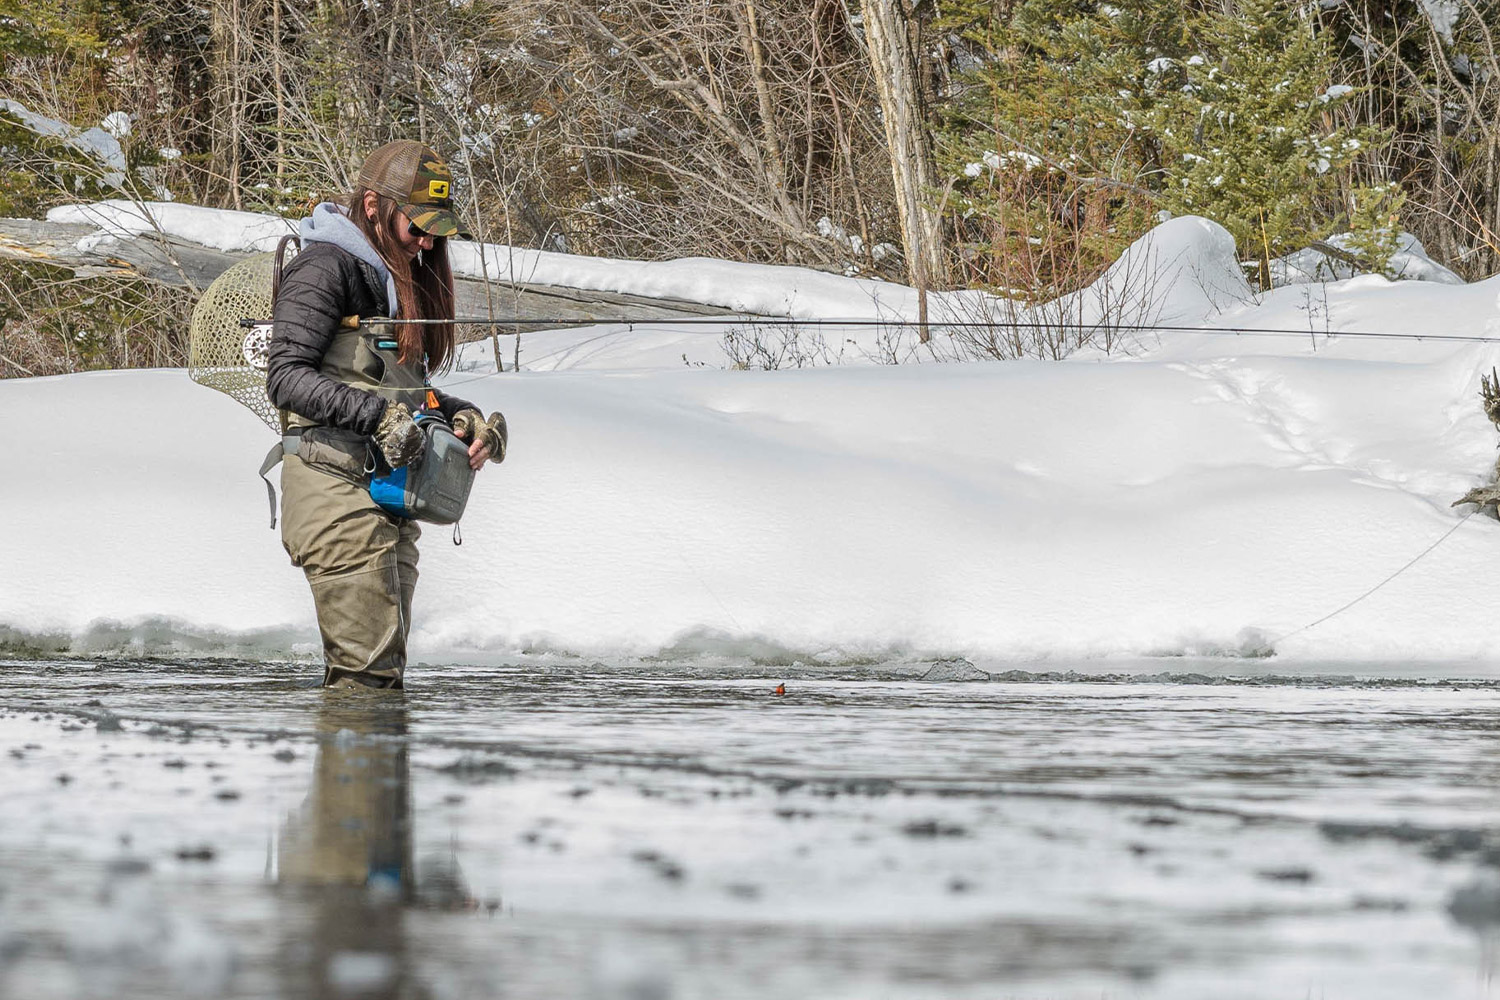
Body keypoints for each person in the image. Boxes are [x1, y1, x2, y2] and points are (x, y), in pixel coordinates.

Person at [266, 140, 507, 690]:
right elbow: (285, 377)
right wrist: (379, 418)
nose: (426, 243)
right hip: (334, 494)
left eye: (436, 233)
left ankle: (373, 774)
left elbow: (406, 391)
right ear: (372, 206)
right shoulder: (324, 266)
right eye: (417, 227)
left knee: (382, 677)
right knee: (366, 683)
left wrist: (463, 417)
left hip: (386, 499)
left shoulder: (395, 280)